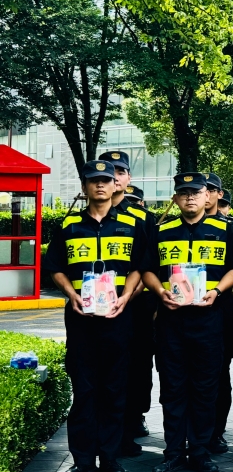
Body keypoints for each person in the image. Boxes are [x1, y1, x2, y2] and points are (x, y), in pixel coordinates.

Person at [45, 160, 147, 472]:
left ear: (116, 185)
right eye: (94, 181)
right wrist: (70, 294)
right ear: (84, 187)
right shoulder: (69, 225)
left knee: (114, 389)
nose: (101, 185)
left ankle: (110, 458)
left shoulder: (132, 225)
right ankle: (83, 460)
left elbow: (141, 267)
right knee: (84, 390)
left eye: (106, 180)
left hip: (117, 319)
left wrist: (125, 297)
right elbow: (55, 267)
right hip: (81, 321)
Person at [143, 172, 233, 472]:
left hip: (208, 320)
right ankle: (173, 452)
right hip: (171, 321)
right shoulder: (162, 232)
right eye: (183, 193)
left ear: (207, 196)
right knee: (172, 388)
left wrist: (218, 291)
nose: (190, 198)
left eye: (196, 192)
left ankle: (199, 451)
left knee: (205, 388)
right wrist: (160, 292)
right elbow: (147, 270)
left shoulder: (225, 230)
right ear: (175, 198)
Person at [98, 150, 158, 456]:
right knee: (102, 370)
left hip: (136, 308)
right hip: (96, 309)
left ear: (128, 178)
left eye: (120, 171)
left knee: (136, 367)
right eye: (109, 172)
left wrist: (126, 298)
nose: (115, 177)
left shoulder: (143, 219)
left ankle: (132, 422)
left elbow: (149, 266)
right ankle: (105, 430)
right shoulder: (86, 219)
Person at [203, 171, 233, 456]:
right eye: (200, 189)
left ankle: (216, 431)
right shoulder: (171, 229)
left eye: (210, 190)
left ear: (219, 194)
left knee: (220, 370)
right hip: (183, 312)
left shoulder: (232, 229)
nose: (203, 194)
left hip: (222, 308)